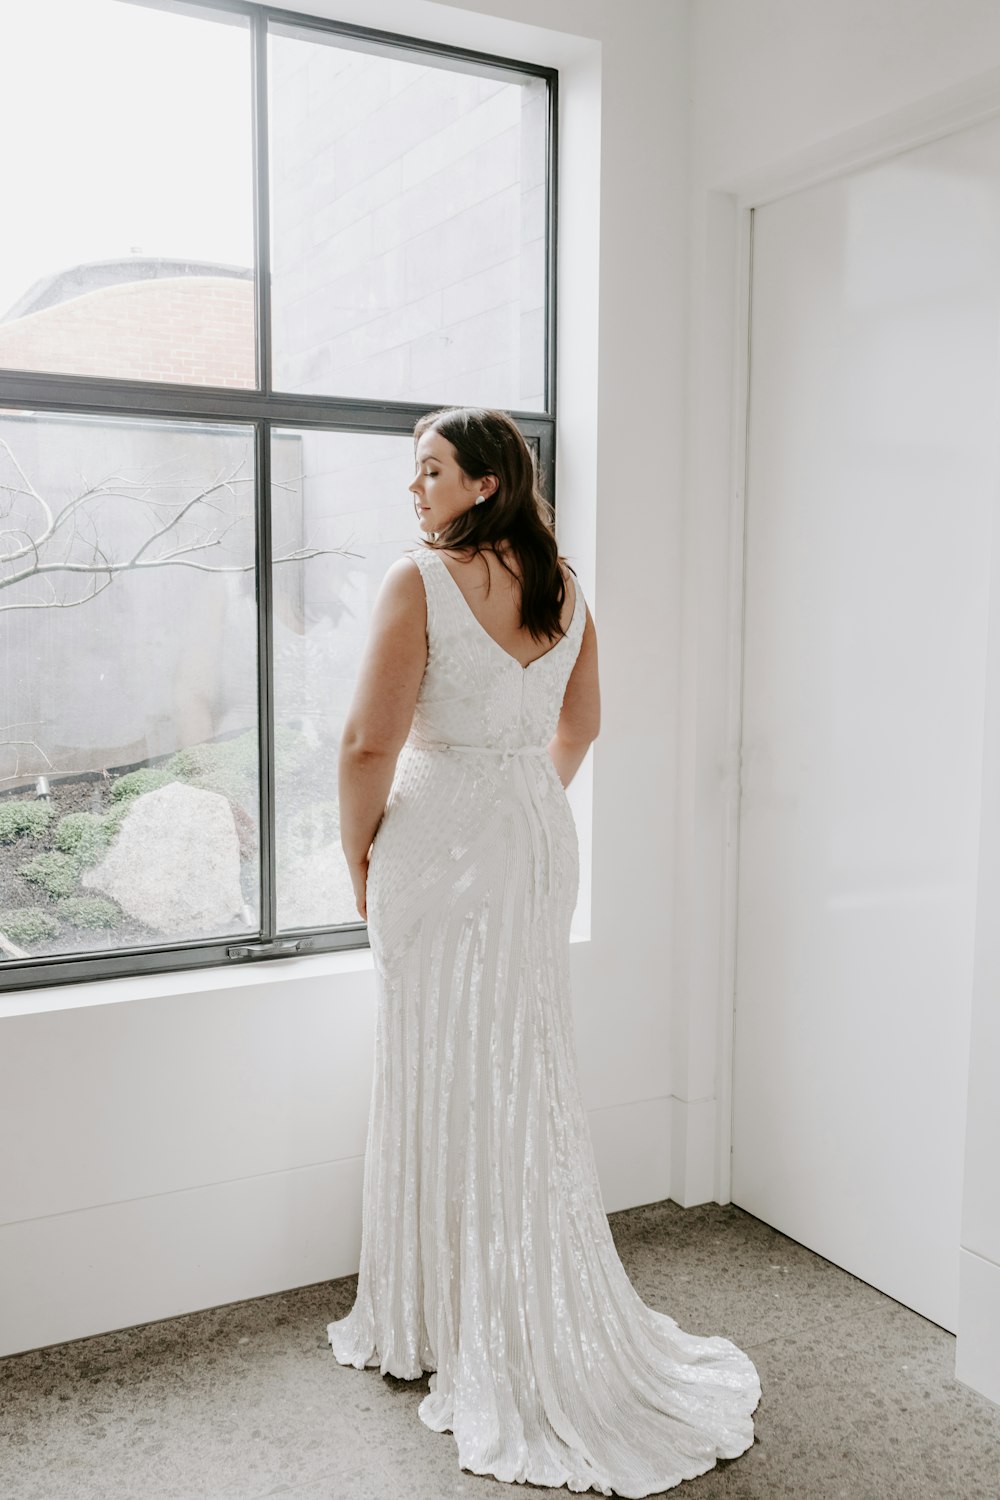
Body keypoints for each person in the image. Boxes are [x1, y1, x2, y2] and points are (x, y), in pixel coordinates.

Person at [327, 407, 761, 1496]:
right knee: (516, 1065)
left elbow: (367, 742)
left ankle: (435, 1312)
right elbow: (582, 726)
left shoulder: (418, 580)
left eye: (428, 470)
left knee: (441, 1064)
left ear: (482, 483)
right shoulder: (561, 583)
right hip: (531, 839)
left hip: (435, 845)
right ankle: (489, 1293)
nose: (412, 489)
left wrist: (359, 863)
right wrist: (518, 801)